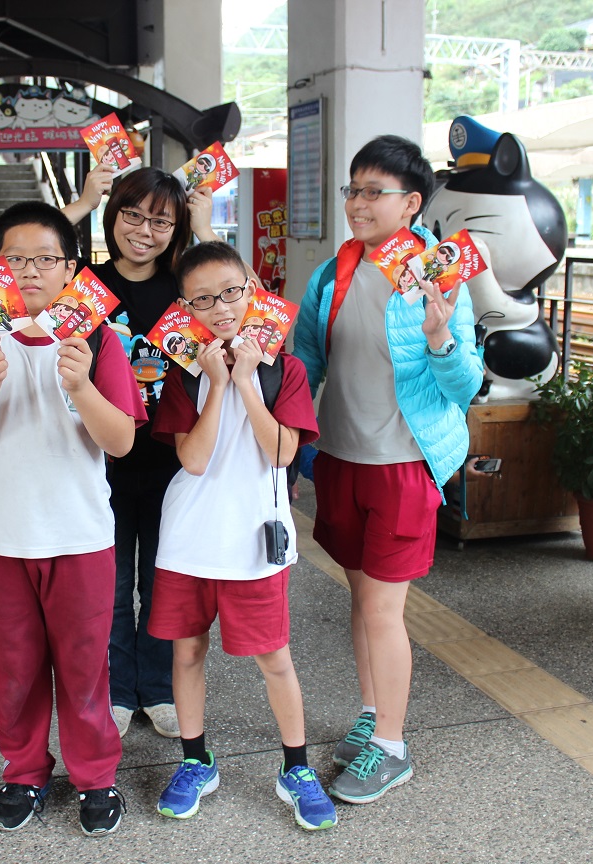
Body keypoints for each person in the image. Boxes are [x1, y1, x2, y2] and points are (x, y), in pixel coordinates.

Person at [0, 201, 146, 836]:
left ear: (70, 268)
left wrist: (80, 387)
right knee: (15, 664)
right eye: (14, 259)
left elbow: (121, 442)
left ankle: (95, 775)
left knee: (85, 663)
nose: (29, 272)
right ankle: (23, 769)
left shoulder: (95, 337)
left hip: (78, 535)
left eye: (45, 259)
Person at [292, 135, 482, 805]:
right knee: (360, 600)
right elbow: (307, 361)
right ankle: (373, 715)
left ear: (412, 203)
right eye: (353, 189)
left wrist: (440, 337)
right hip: (341, 460)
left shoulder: (439, 275)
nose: (359, 203)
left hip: (403, 464)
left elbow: (465, 385)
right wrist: (281, 431)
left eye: (375, 192)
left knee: (381, 608)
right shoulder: (333, 272)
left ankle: (394, 747)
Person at [148, 241, 336, 832]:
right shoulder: (183, 371)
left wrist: (249, 382)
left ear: (251, 288)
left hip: (254, 540)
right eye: (203, 298)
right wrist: (218, 383)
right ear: (186, 306)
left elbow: (282, 452)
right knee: (187, 650)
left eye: (231, 292)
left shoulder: (285, 366)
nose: (221, 307)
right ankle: (196, 760)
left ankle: (296, 768)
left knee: (274, 657)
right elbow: (195, 460)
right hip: (188, 538)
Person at [62, 164, 228, 740]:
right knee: (105, 584)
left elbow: (244, 304)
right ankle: (115, 685)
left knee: (162, 580)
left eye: (161, 220)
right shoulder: (83, 283)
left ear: (176, 227)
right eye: (131, 215)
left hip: (169, 459)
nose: (144, 230)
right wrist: (83, 201)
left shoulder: (185, 287)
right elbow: (23, 265)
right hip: (96, 460)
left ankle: (157, 686)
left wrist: (205, 227)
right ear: (113, 217)